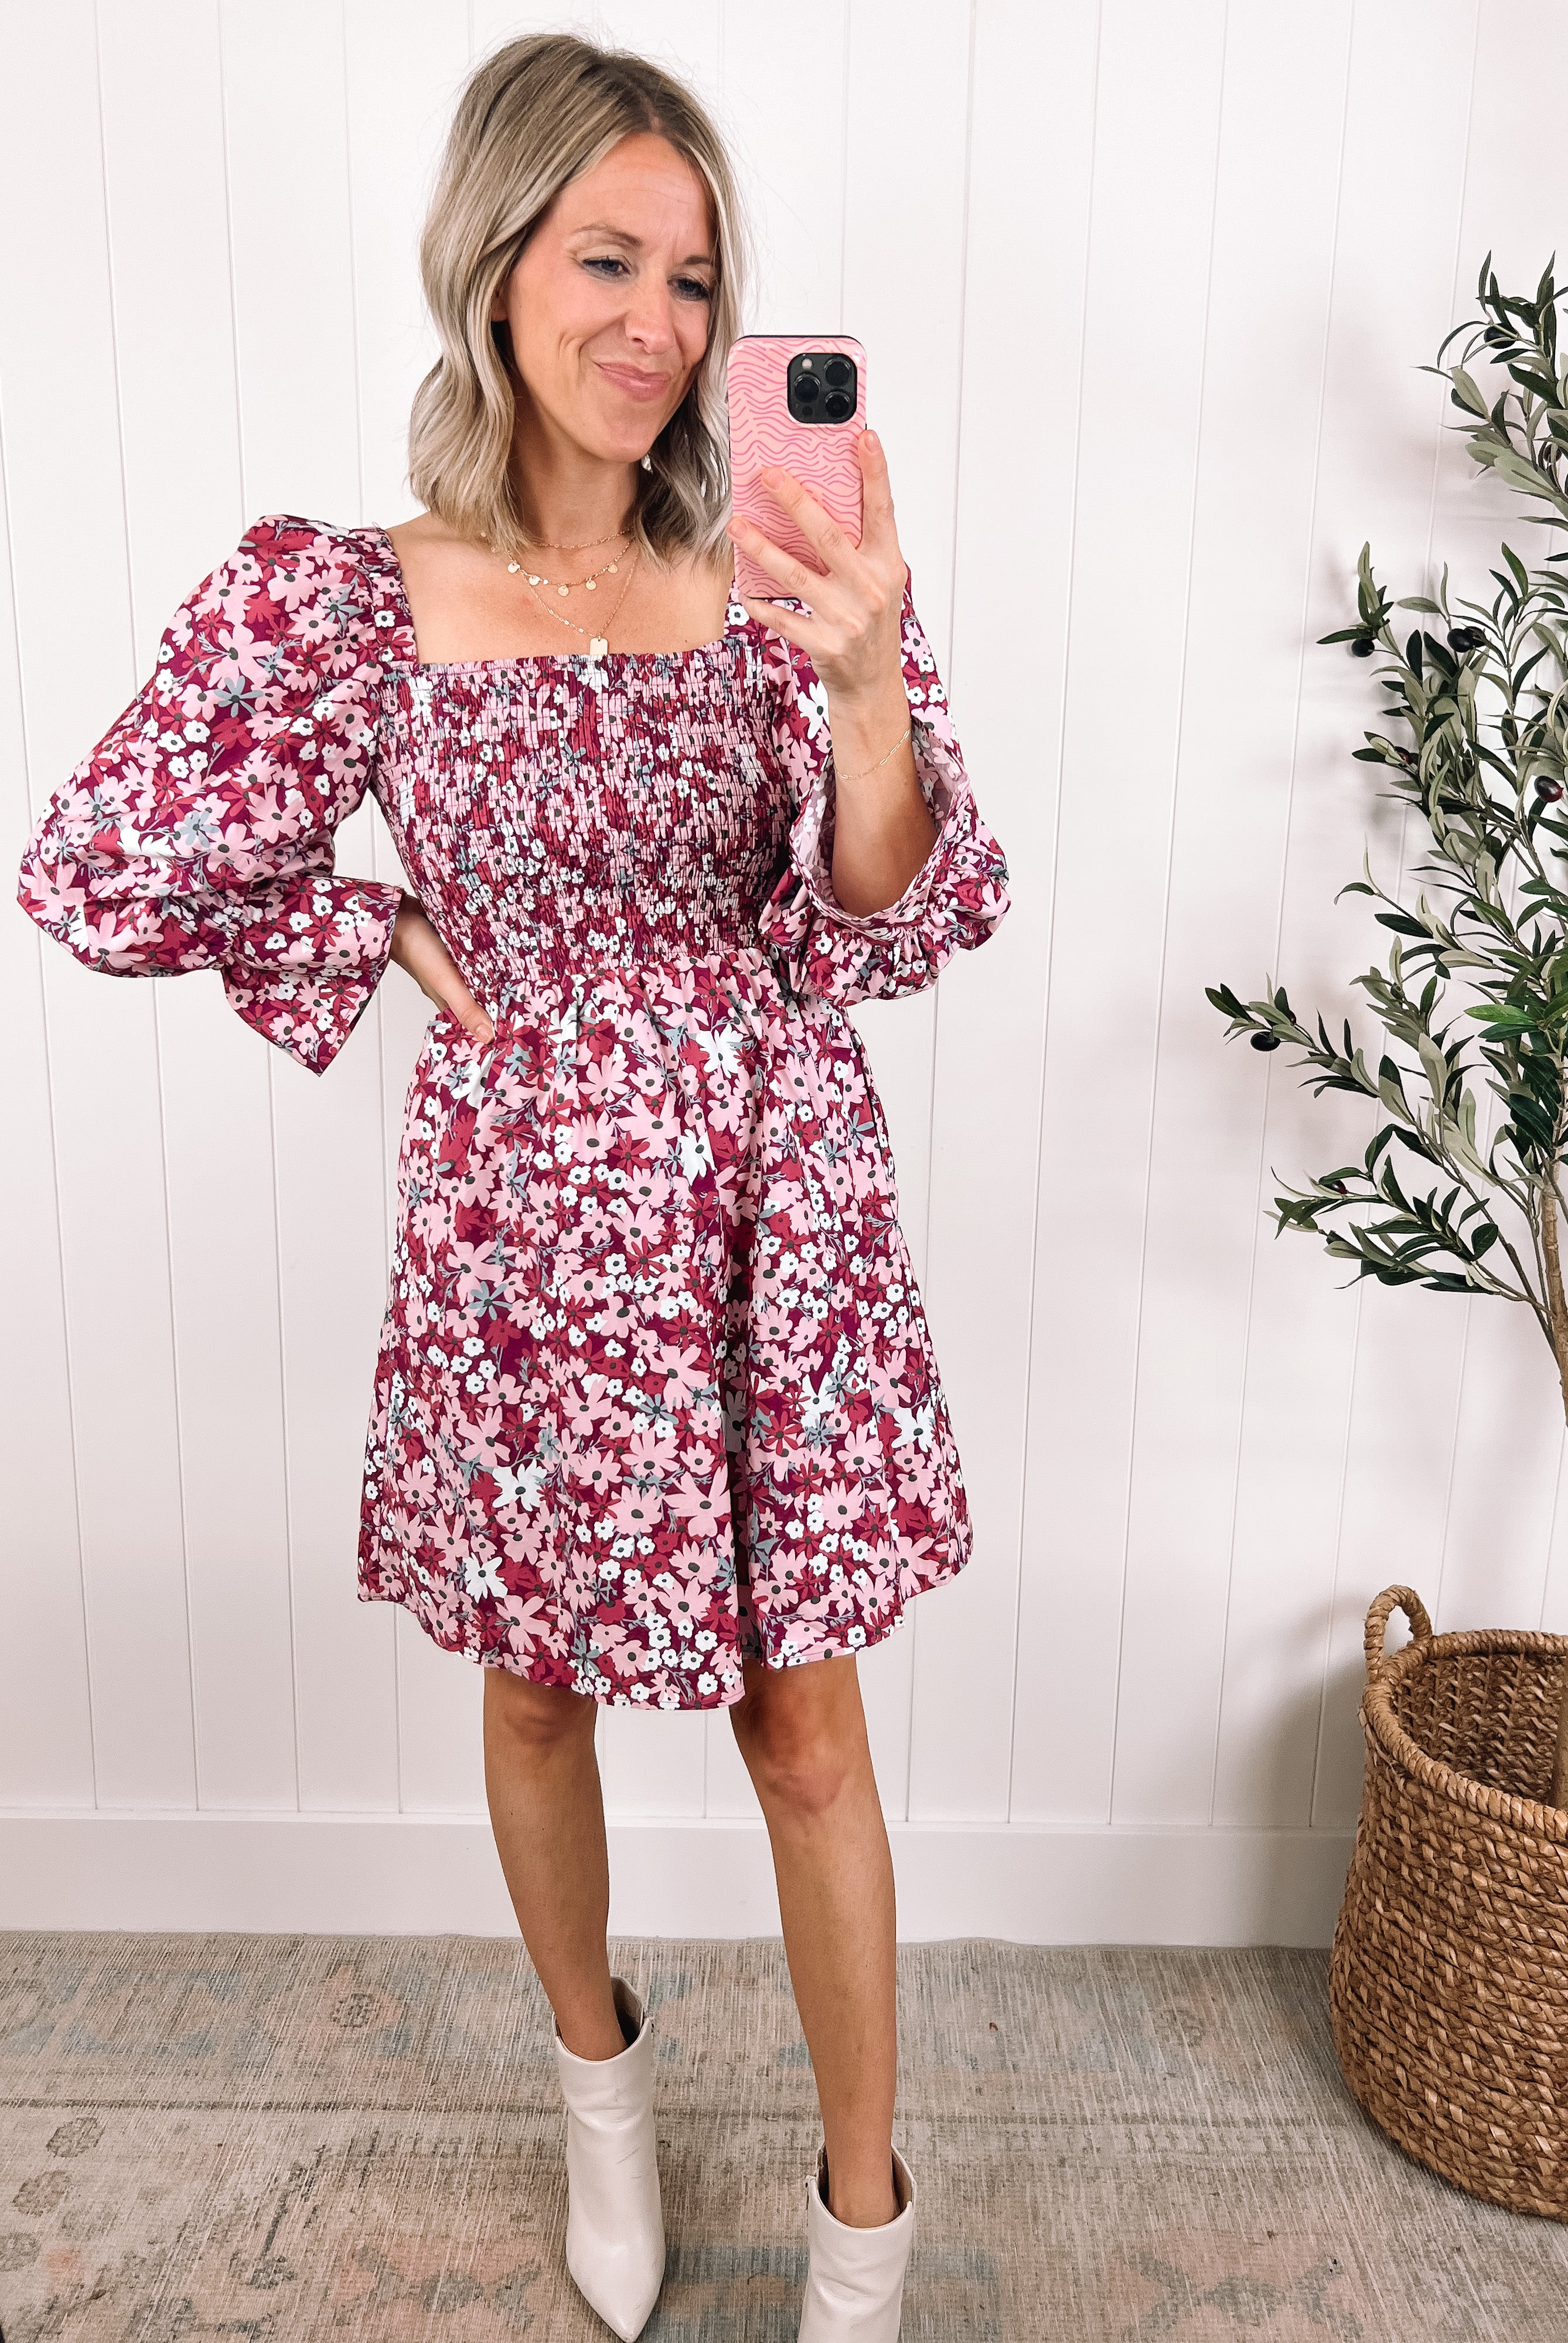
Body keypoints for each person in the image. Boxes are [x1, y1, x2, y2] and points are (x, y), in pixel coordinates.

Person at [16, 32, 1009, 2341]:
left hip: (771, 1201)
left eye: (696, 276)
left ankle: (865, 2225)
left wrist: (869, 687)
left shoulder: (783, 565)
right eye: (608, 260)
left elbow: (901, 911)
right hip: (520, 1224)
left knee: (805, 1731)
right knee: (538, 1694)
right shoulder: (348, 597)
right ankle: (602, 2102)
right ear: (493, 262)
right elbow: (92, 864)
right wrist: (360, 920)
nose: (659, 321)